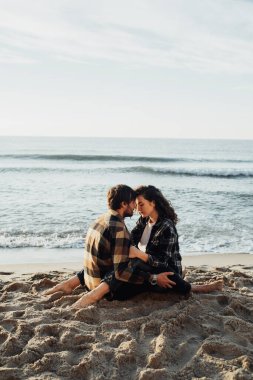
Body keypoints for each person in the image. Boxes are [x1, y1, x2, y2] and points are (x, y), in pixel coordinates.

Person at [44, 185, 223, 307]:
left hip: (165, 269)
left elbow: (162, 263)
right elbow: (129, 243)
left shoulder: (167, 227)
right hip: (147, 266)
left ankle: (194, 288)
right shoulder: (143, 221)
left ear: (153, 203)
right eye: (135, 205)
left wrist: (139, 255)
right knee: (119, 261)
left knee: (130, 265)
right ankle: (69, 284)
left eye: (141, 204)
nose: (137, 209)